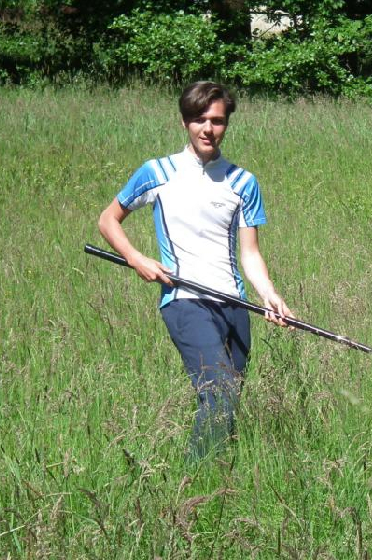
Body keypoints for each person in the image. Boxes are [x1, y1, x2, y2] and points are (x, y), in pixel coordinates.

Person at [98, 81, 293, 458]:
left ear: (226, 124)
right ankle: (194, 482)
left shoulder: (243, 182)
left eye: (217, 121)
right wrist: (138, 259)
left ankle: (220, 487)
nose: (208, 129)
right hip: (185, 300)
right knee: (218, 392)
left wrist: (269, 295)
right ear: (185, 121)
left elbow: (250, 253)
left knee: (228, 401)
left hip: (235, 304)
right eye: (199, 119)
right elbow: (108, 220)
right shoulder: (158, 172)